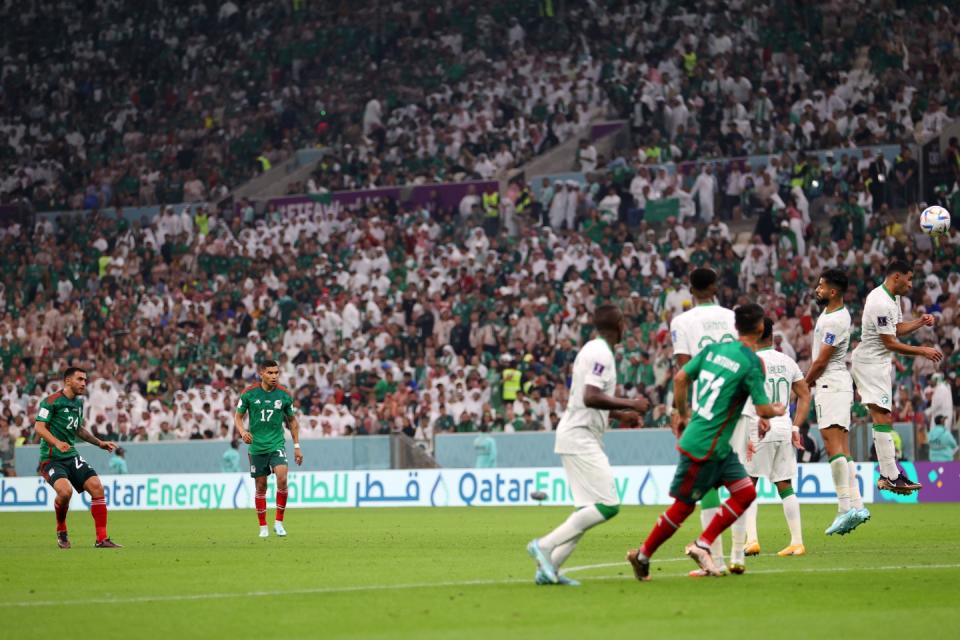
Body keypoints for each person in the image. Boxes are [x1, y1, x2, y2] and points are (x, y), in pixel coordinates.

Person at [627, 303, 786, 580]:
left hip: (716, 447)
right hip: (706, 447)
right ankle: (642, 555)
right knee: (684, 506)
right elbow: (762, 409)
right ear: (761, 328)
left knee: (746, 493)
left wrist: (683, 413)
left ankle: (702, 544)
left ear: (736, 327)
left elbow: (680, 378)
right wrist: (777, 409)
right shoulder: (752, 362)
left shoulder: (713, 350)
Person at [527, 304, 647, 585]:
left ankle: (550, 569)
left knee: (586, 511)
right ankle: (544, 546)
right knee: (608, 505)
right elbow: (591, 396)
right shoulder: (601, 354)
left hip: (580, 433)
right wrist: (632, 403)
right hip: (579, 436)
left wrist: (621, 415)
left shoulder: (593, 350)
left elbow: (589, 400)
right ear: (619, 325)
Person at [850, 260, 942, 495]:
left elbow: (897, 328)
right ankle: (890, 475)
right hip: (870, 362)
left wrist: (920, 322)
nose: (911, 285)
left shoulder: (893, 298)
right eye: (909, 279)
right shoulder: (879, 301)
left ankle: (888, 474)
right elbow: (889, 341)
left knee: (882, 416)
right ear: (897, 277)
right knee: (882, 416)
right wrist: (922, 350)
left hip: (879, 363)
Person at [669, 267, 737, 576]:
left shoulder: (682, 322)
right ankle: (739, 557)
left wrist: (680, 412)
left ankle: (716, 560)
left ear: (690, 289)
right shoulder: (732, 317)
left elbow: (684, 371)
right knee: (741, 483)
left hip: (706, 406)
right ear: (714, 286)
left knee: (706, 482)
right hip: (738, 402)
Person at [729, 318, 810, 572]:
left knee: (747, 485)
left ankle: (752, 540)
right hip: (784, 428)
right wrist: (796, 427)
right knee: (785, 486)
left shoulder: (751, 361)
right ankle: (797, 542)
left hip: (759, 427)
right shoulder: (787, 361)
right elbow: (805, 394)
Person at [805, 268, 869, 536]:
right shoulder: (833, 314)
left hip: (830, 384)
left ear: (833, 291)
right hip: (837, 384)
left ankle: (844, 510)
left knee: (833, 448)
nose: (817, 289)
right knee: (842, 448)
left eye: (821, 286)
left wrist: (804, 383)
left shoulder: (834, 321)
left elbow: (822, 359)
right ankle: (857, 505)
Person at [33, 367, 122, 549]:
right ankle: (61, 529)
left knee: (97, 487)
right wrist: (57, 443)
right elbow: (39, 428)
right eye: (80, 379)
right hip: (51, 459)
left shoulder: (78, 404)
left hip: (71, 455)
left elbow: (79, 429)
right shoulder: (51, 402)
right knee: (65, 493)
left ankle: (102, 539)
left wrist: (99, 443)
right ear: (67, 381)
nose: (83, 383)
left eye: (85, 380)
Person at [234, 359, 303, 538]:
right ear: (261, 374)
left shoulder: (284, 395)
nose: (274, 376)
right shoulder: (249, 394)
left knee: (282, 478)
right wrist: (242, 432)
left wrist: (296, 446)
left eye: (276, 373)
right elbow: (238, 417)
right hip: (257, 446)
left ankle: (279, 523)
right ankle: (263, 526)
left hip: (276, 444)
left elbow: (292, 421)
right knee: (261, 486)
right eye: (270, 373)